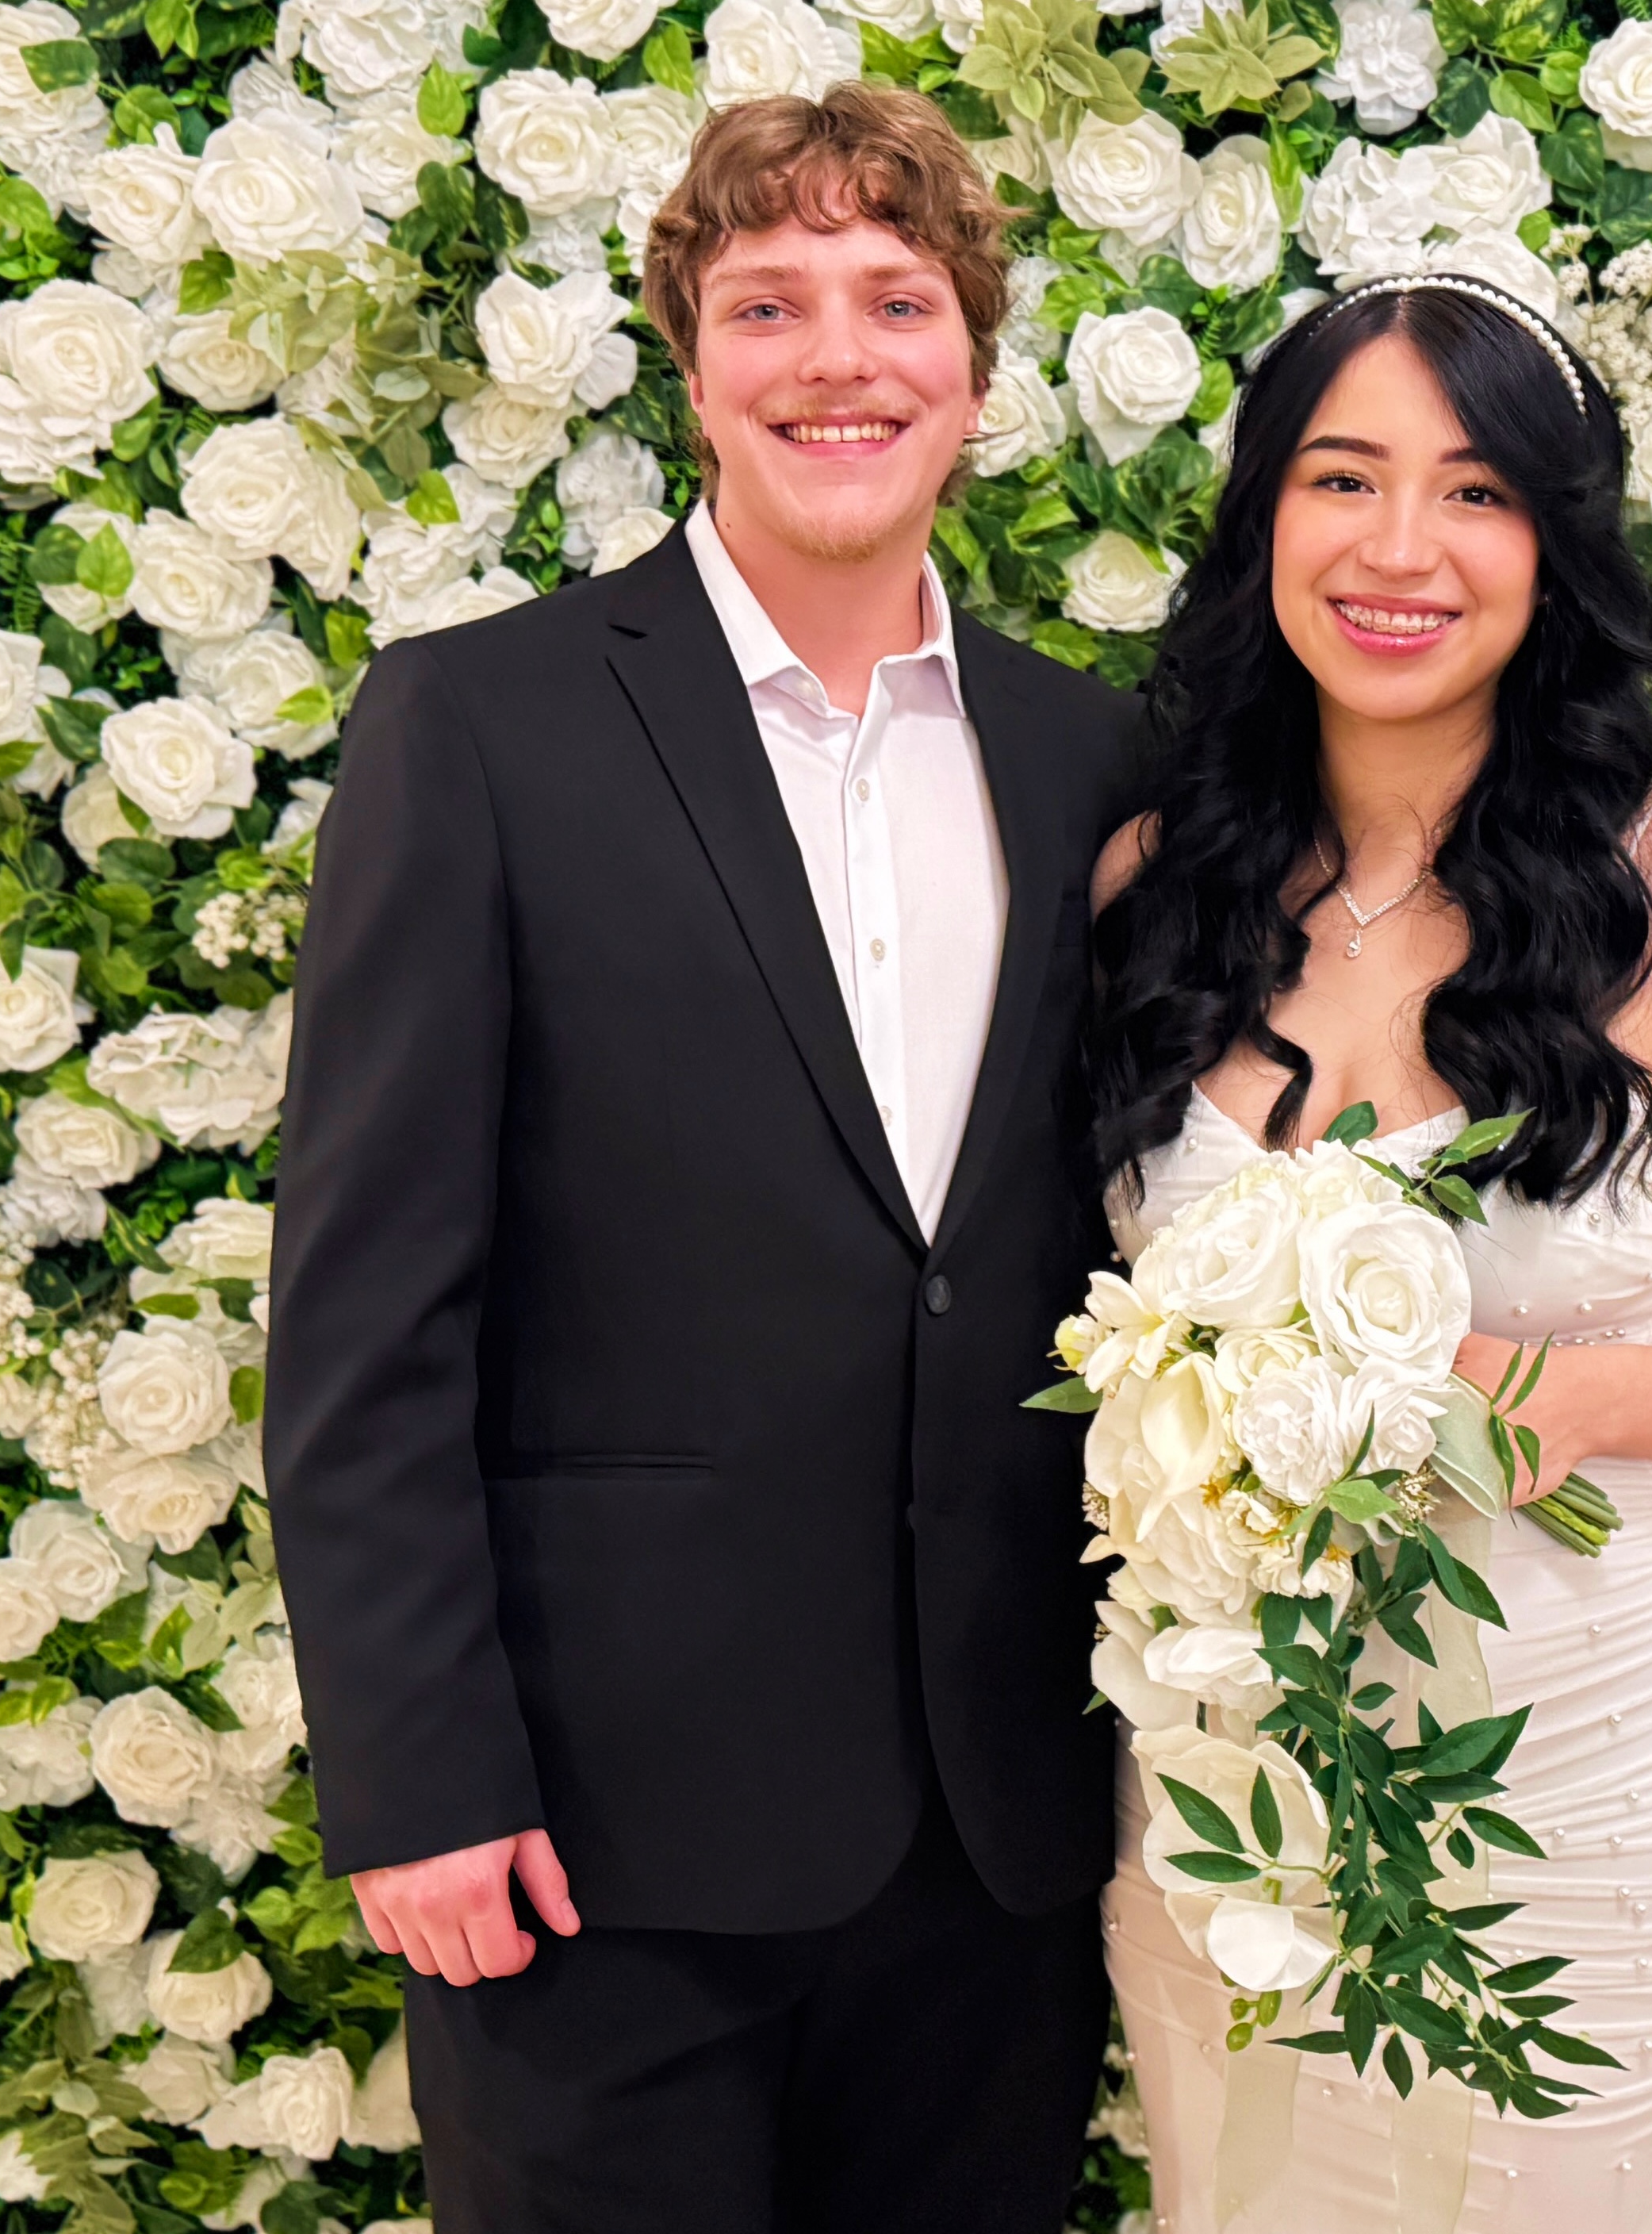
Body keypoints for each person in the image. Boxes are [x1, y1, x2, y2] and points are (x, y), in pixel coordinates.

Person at [265, 86, 1138, 2233]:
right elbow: (366, 1311)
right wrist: (417, 1781)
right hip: (584, 1835)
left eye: (892, 297)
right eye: (769, 302)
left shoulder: (1093, 752)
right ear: (688, 360)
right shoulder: (474, 727)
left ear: (971, 362)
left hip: (993, 1832)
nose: (836, 354)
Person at [1085, 277, 1652, 2232]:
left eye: (1470, 494)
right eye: (1340, 478)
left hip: (1579, 1774)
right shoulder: (1155, 886)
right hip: (1226, 1799)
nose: (1396, 550)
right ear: (1262, 520)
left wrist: (1546, 1401)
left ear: (1555, 539)